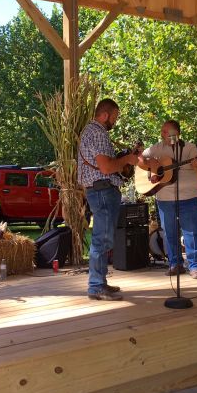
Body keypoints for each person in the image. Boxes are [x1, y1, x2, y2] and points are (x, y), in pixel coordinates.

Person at [78, 98, 139, 301]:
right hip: (102, 190)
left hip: (100, 190)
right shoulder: (98, 132)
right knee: (102, 239)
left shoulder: (91, 131)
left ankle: (100, 282)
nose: (115, 121)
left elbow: (106, 165)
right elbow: (106, 167)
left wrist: (124, 160)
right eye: (114, 117)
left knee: (103, 238)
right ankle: (96, 286)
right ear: (104, 115)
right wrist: (127, 159)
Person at [141, 120, 197, 279]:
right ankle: (175, 264)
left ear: (176, 133)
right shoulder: (157, 148)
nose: (162, 134)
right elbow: (140, 159)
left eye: (166, 131)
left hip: (188, 196)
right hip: (164, 197)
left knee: (192, 232)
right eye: (162, 131)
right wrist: (151, 165)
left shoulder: (189, 148)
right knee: (169, 232)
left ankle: (195, 266)